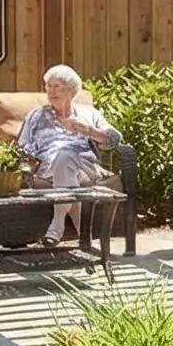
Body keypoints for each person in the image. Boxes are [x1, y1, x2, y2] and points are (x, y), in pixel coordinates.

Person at [19, 65, 117, 244]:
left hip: (85, 166)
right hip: (48, 169)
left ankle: (57, 226)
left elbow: (113, 140)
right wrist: (29, 165)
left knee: (65, 157)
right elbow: (23, 146)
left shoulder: (89, 113)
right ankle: (85, 237)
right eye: (48, 86)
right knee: (66, 170)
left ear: (71, 91)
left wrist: (84, 128)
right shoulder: (36, 115)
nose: (51, 91)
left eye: (57, 86)